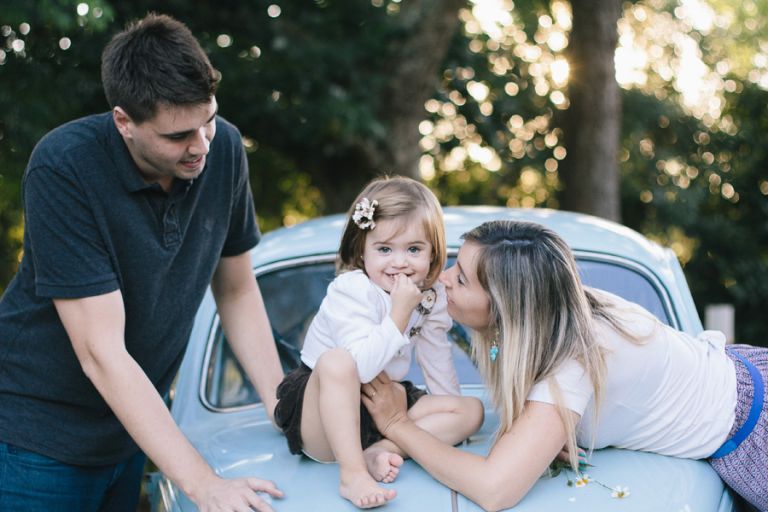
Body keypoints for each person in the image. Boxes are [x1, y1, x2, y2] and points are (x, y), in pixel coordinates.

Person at [0, 13, 285, 512]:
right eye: (178, 136)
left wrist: (283, 407)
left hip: (130, 432)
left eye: (208, 120)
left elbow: (237, 291)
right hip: (34, 440)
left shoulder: (224, 149)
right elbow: (101, 353)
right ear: (124, 122)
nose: (201, 146)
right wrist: (203, 483)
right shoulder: (63, 166)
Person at [361, 219, 768, 512]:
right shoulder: (556, 308)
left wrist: (397, 424)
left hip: (753, 435)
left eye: (462, 278)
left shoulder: (573, 361)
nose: (444, 279)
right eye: (455, 265)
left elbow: (494, 489)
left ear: (507, 308)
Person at [273, 176, 484, 509]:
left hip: (382, 402)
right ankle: (353, 473)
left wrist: (450, 418)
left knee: (470, 410)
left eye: (414, 249)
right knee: (337, 360)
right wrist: (399, 312)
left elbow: (436, 356)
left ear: (432, 253)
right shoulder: (351, 290)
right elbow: (361, 368)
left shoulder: (430, 295)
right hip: (324, 413)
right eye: (384, 249)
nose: (399, 262)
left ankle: (382, 450)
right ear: (362, 249)